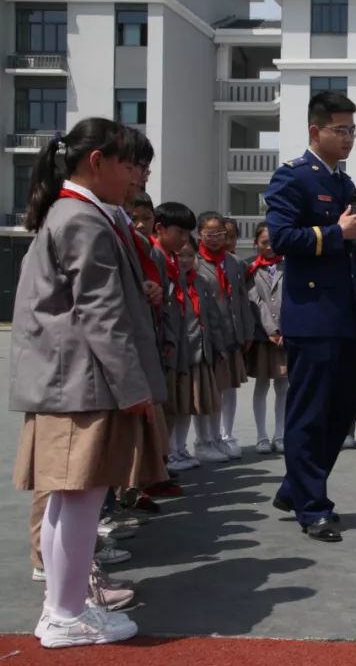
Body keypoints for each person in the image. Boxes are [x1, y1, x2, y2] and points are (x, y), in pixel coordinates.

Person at [11, 118, 167, 647]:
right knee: (79, 499)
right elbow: (102, 314)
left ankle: (64, 606)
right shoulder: (83, 218)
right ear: (96, 162)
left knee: (68, 499)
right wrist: (135, 389)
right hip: (84, 382)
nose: (138, 177)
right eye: (130, 165)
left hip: (70, 379)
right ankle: (66, 612)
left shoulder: (78, 211)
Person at [263, 90, 356, 543]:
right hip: (311, 316)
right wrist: (335, 232)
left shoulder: (344, 184)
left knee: (344, 409)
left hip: (345, 313)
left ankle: (295, 486)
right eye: (341, 130)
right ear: (316, 130)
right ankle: (313, 507)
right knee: (310, 413)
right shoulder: (292, 178)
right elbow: (281, 239)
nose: (349, 138)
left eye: (353, 130)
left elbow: (355, 253)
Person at [195, 211, 253, 460]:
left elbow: (242, 299)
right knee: (208, 392)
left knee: (229, 389)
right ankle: (203, 440)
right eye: (210, 233)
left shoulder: (234, 262)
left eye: (220, 233)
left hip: (232, 336)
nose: (216, 238)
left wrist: (247, 331)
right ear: (200, 234)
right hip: (208, 339)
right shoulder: (195, 263)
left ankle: (223, 436)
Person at [167, 234, 226, 468]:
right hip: (179, 353)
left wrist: (218, 346)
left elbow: (212, 316)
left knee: (190, 404)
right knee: (175, 405)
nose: (186, 260)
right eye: (181, 255)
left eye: (190, 255)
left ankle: (181, 449)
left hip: (199, 351)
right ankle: (170, 451)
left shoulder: (200, 282)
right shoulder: (170, 281)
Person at [151, 203, 200, 471]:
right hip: (160, 344)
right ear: (159, 228)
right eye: (180, 232)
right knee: (161, 409)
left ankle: (162, 464)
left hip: (172, 343)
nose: (184, 240)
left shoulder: (169, 259)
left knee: (170, 408)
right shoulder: (154, 256)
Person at [247, 222, 288, 455]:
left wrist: (285, 330)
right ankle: (261, 436)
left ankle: (280, 434)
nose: (270, 246)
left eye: (273, 241)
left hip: (286, 336)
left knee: (284, 385)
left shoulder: (289, 266)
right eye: (264, 242)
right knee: (261, 384)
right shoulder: (250, 269)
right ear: (256, 243)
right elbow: (256, 302)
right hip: (263, 337)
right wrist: (271, 330)